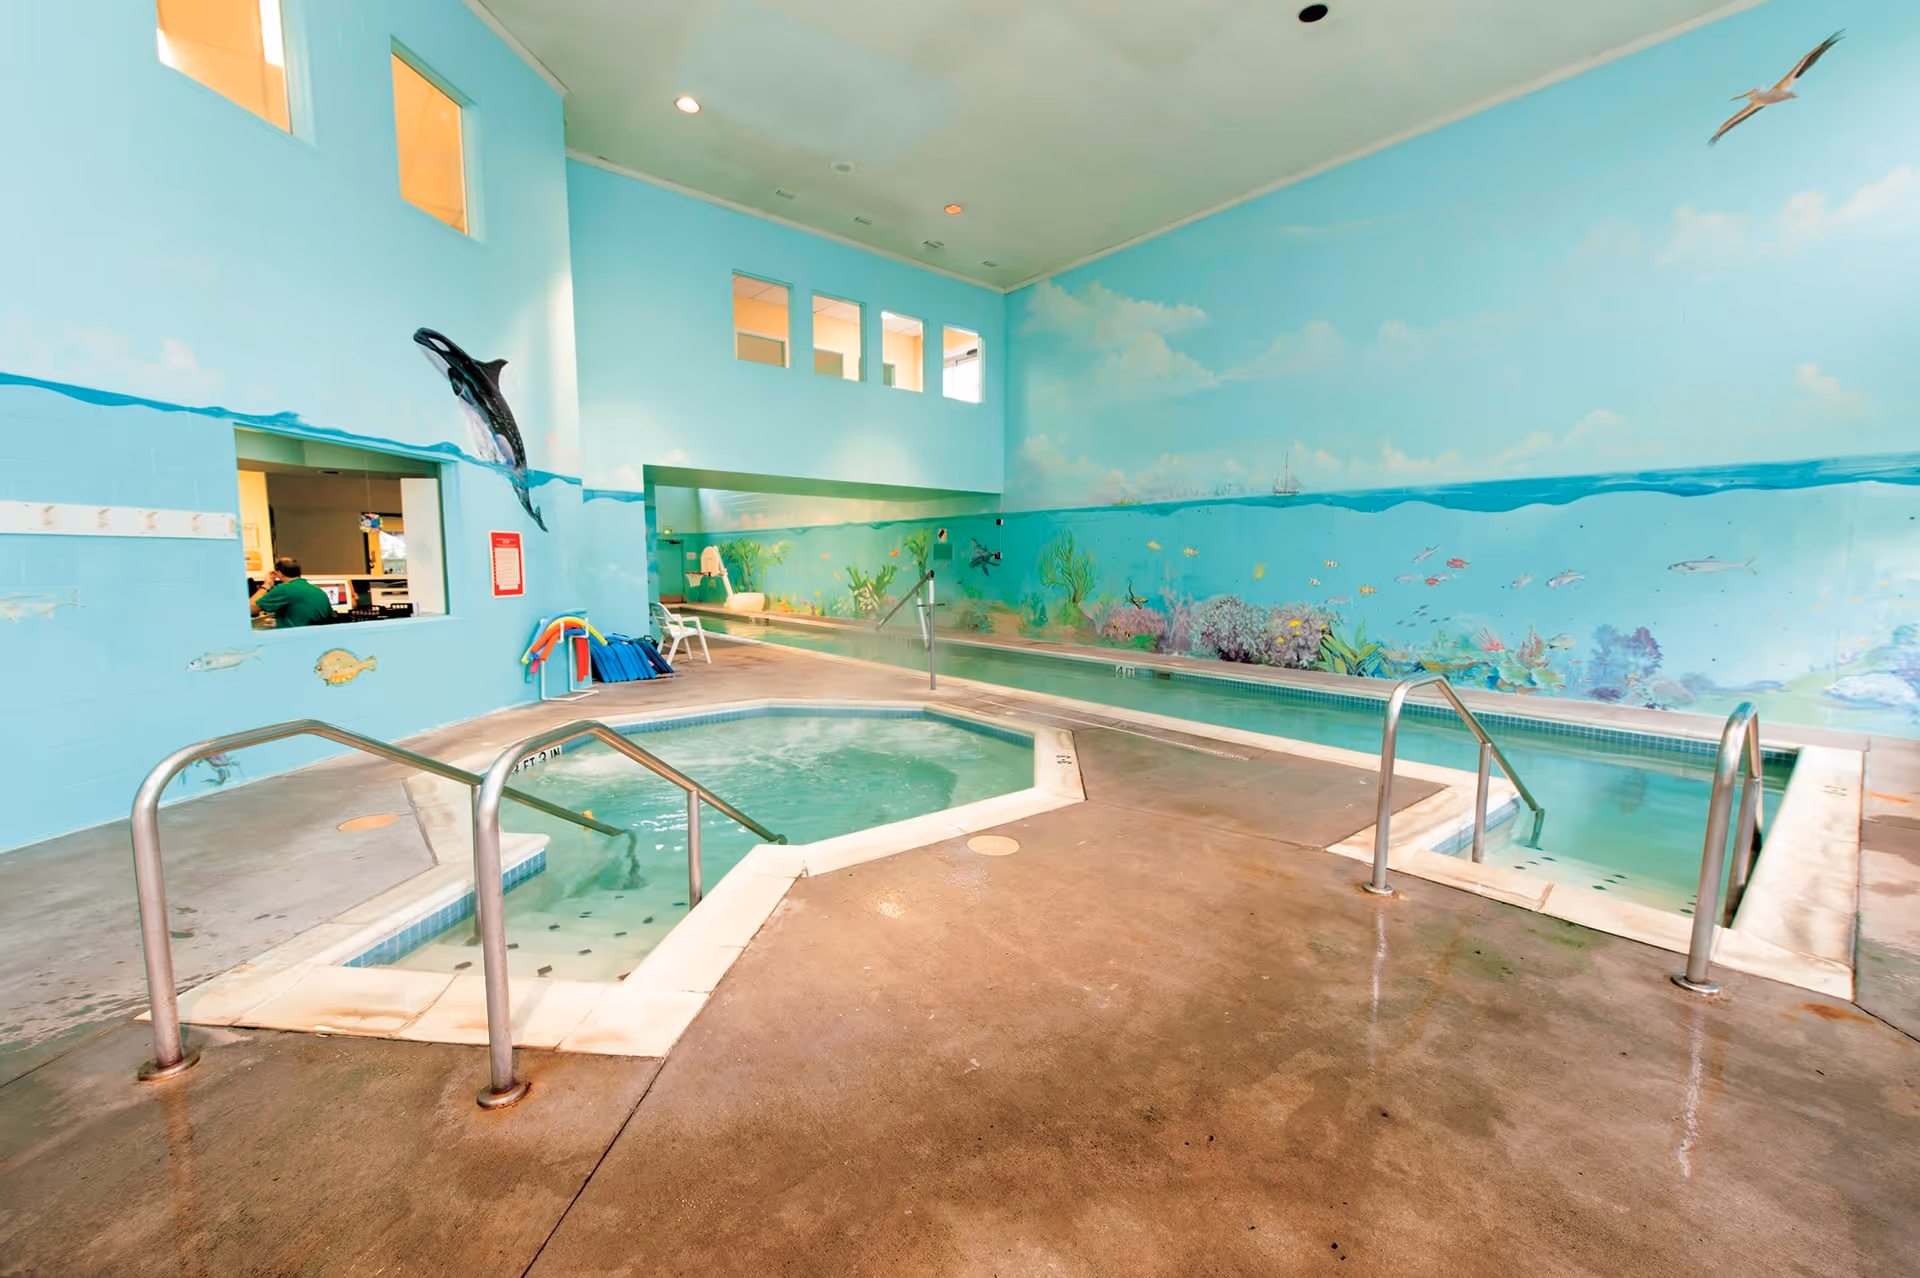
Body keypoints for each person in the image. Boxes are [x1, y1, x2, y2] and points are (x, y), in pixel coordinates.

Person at [250, 557, 336, 628]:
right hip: (313, 639)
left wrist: (267, 584)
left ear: (279, 573)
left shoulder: (284, 589)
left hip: (294, 640)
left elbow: (251, 609)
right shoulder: (317, 590)